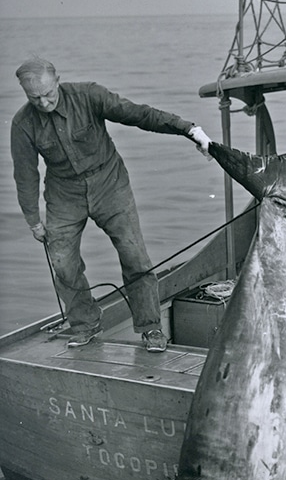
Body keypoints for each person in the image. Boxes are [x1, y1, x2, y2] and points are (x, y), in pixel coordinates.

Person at [10, 57, 210, 351]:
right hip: (63, 194)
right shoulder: (23, 123)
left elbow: (139, 114)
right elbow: (24, 174)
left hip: (109, 184)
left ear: (58, 81)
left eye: (48, 94)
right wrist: (33, 219)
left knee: (134, 256)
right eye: (34, 98)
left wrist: (188, 129)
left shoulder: (89, 95)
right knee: (63, 264)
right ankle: (85, 323)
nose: (43, 103)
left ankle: (151, 327)